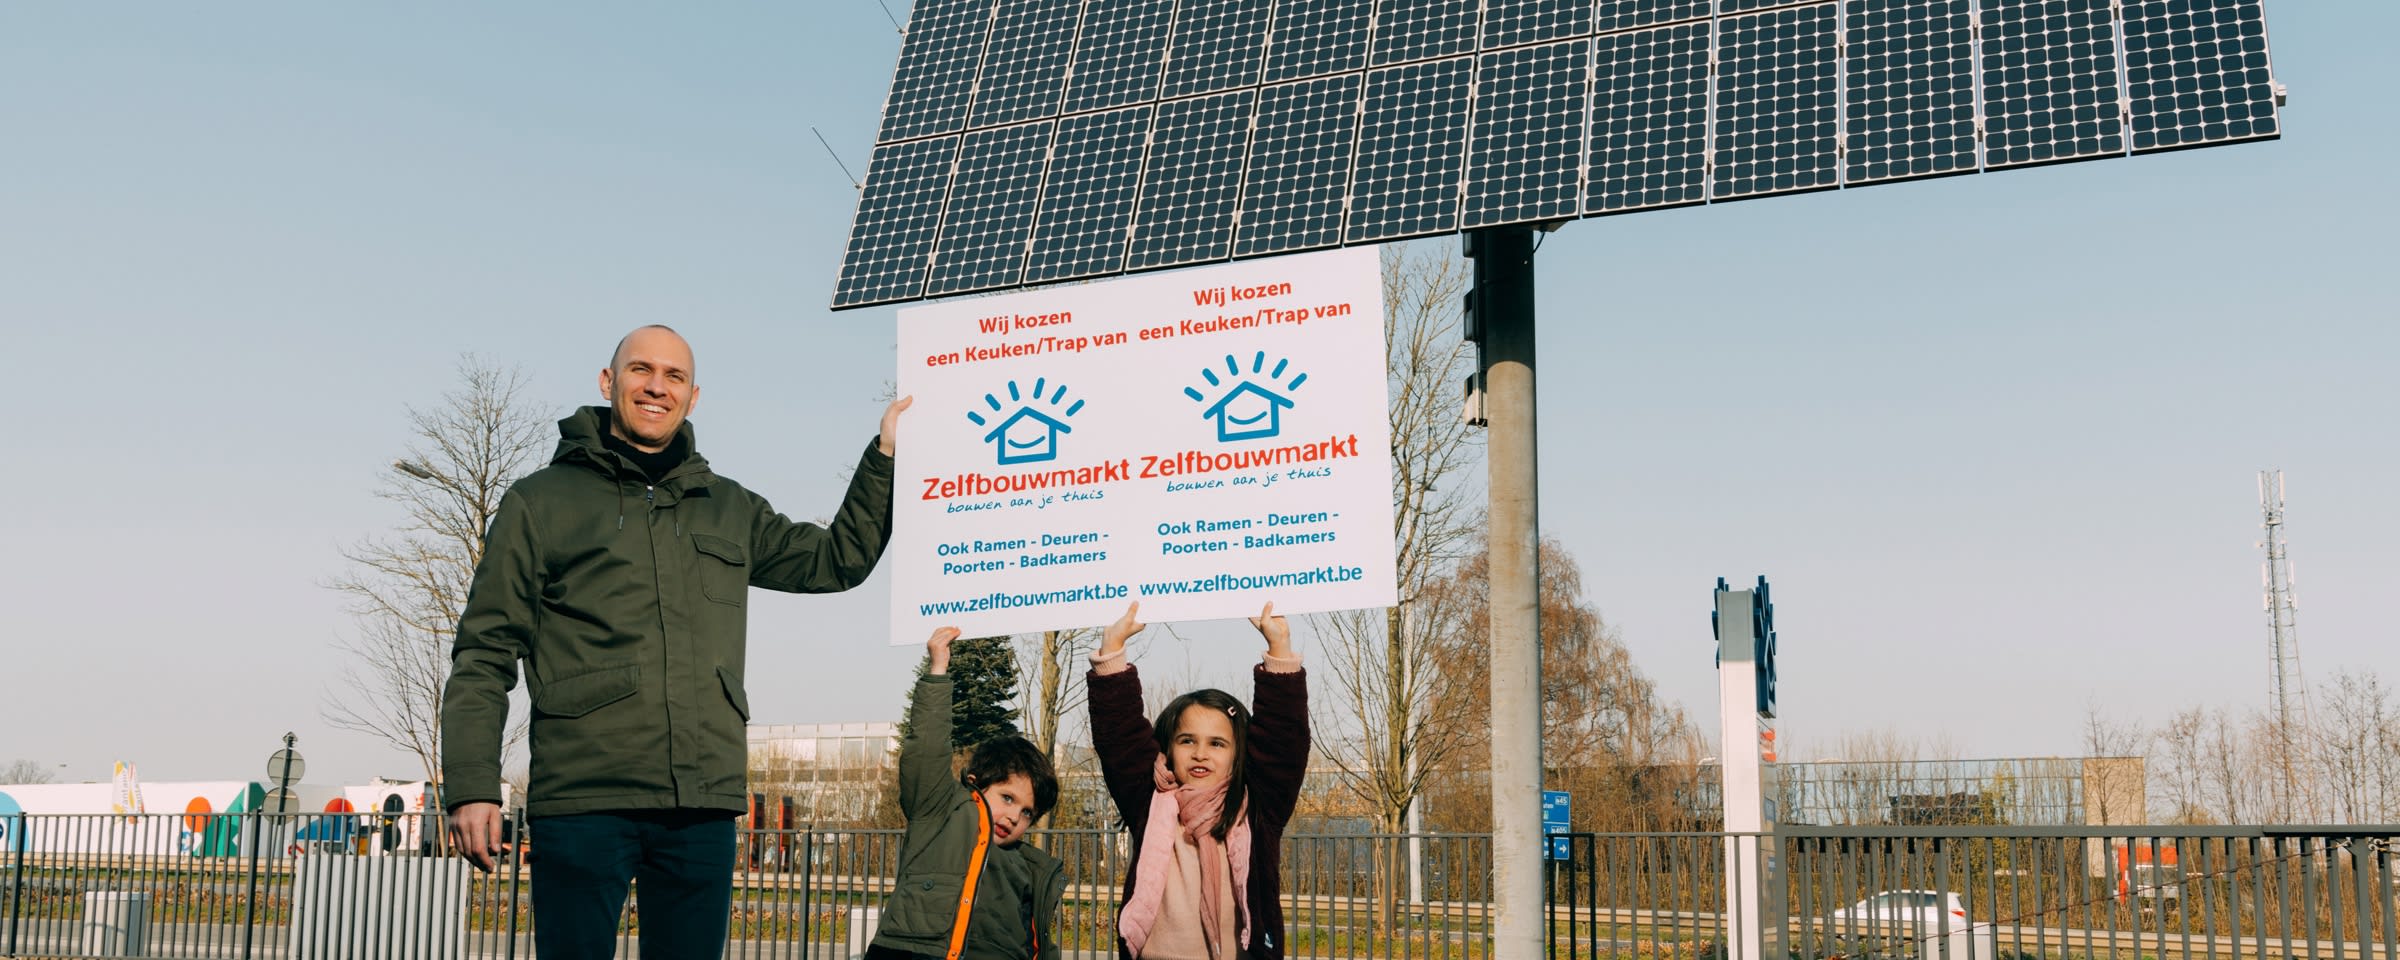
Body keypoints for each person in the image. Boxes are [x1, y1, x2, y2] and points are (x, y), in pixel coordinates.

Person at [439, 324, 909, 959]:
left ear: (694, 397)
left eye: (675, 377)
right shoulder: (539, 503)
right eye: (641, 371)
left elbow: (836, 560)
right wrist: (472, 785)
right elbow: (485, 650)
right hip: (584, 801)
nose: (657, 387)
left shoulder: (729, 507)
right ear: (609, 383)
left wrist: (883, 455)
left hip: (700, 805)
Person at [1087, 601, 1309, 960]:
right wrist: (1112, 651)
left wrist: (1279, 648)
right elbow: (1120, 738)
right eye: (1187, 740)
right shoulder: (1151, 800)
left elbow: (1283, 742)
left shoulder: (1256, 810)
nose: (1201, 753)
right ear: (1168, 749)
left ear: (1238, 755)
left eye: (1217, 743)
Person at [866, 626, 1066, 960]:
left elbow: (1036, 942)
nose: (1015, 816)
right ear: (975, 783)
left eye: (1027, 812)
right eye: (1007, 798)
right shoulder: (940, 814)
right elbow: (926, 750)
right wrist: (938, 670)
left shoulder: (1027, 867)